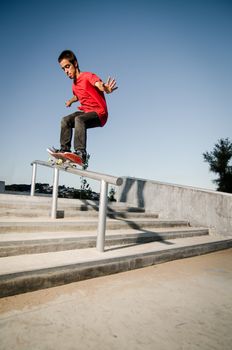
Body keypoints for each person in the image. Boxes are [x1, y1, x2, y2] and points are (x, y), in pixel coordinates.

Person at [54, 49, 117, 164]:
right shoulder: (74, 85)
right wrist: (70, 101)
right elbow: (77, 96)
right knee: (65, 120)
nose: (66, 71)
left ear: (75, 63)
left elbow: (98, 84)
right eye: (63, 69)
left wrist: (105, 88)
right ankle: (65, 150)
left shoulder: (88, 76)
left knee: (79, 120)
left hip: (100, 113)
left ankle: (81, 153)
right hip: (86, 112)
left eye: (67, 66)